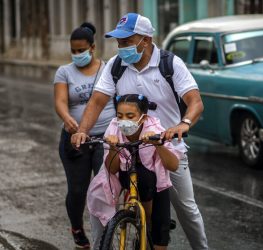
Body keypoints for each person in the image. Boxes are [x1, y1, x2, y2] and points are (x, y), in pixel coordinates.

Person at [72, 13, 209, 249]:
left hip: (167, 149)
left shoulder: (170, 63)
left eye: (126, 41)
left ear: (145, 40)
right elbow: (96, 101)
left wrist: (183, 124)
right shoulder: (116, 65)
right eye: (119, 42)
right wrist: (82, 130)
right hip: (127, 150)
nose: (121, 47)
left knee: (187, 209)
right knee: (98, 197)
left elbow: (195, 101)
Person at [88, 94, 183, 250]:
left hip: (156, 184)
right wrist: (113, 148)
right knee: (100, 194)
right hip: (125, 175)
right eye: (120, 116)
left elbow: (173, 166)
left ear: (143, 118)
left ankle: (149, 222)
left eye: (130, 116)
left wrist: (158, 144)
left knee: (160, 234)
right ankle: (140, 221)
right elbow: (112, 169)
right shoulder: (113, 128)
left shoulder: (155, 129)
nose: (124, 120)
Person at [53, 22, 115, 249]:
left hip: (104, 139)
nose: (77, 54)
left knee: (103, 190)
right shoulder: (64, 72)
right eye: (74, 51)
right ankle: (77, 228)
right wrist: (67, 118)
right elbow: (60, 101)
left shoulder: (109, 68)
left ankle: (105, 234)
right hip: (75, 141)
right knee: (78, 190)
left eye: (82, 50)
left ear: (93, 47)